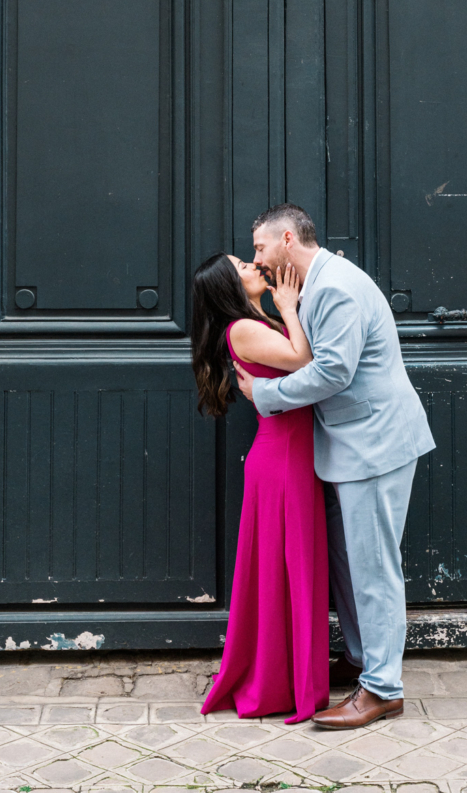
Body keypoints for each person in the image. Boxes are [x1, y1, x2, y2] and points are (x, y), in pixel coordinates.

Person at [235, 203, 435, 731]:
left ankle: (382, 690)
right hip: (352, 446)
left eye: (259, 247)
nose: (256, 257)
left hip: (375, 445)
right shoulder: (313, 286)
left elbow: (334, 372)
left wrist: (265, 394)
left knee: (374, 568)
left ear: (284, 238)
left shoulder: (335, 287)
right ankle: (362, 654)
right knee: (350, 563)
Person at [190, 250, 330, 723]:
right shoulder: (244, 328)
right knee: (284, 570)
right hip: (284, 463)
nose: (254, 267)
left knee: (287, 570)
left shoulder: (253, 322)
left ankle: (286, 675)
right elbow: (305, 359)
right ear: (231, 285)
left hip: (288, 459)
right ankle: (279, 681)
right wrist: (290, 305)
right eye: (242, 267)